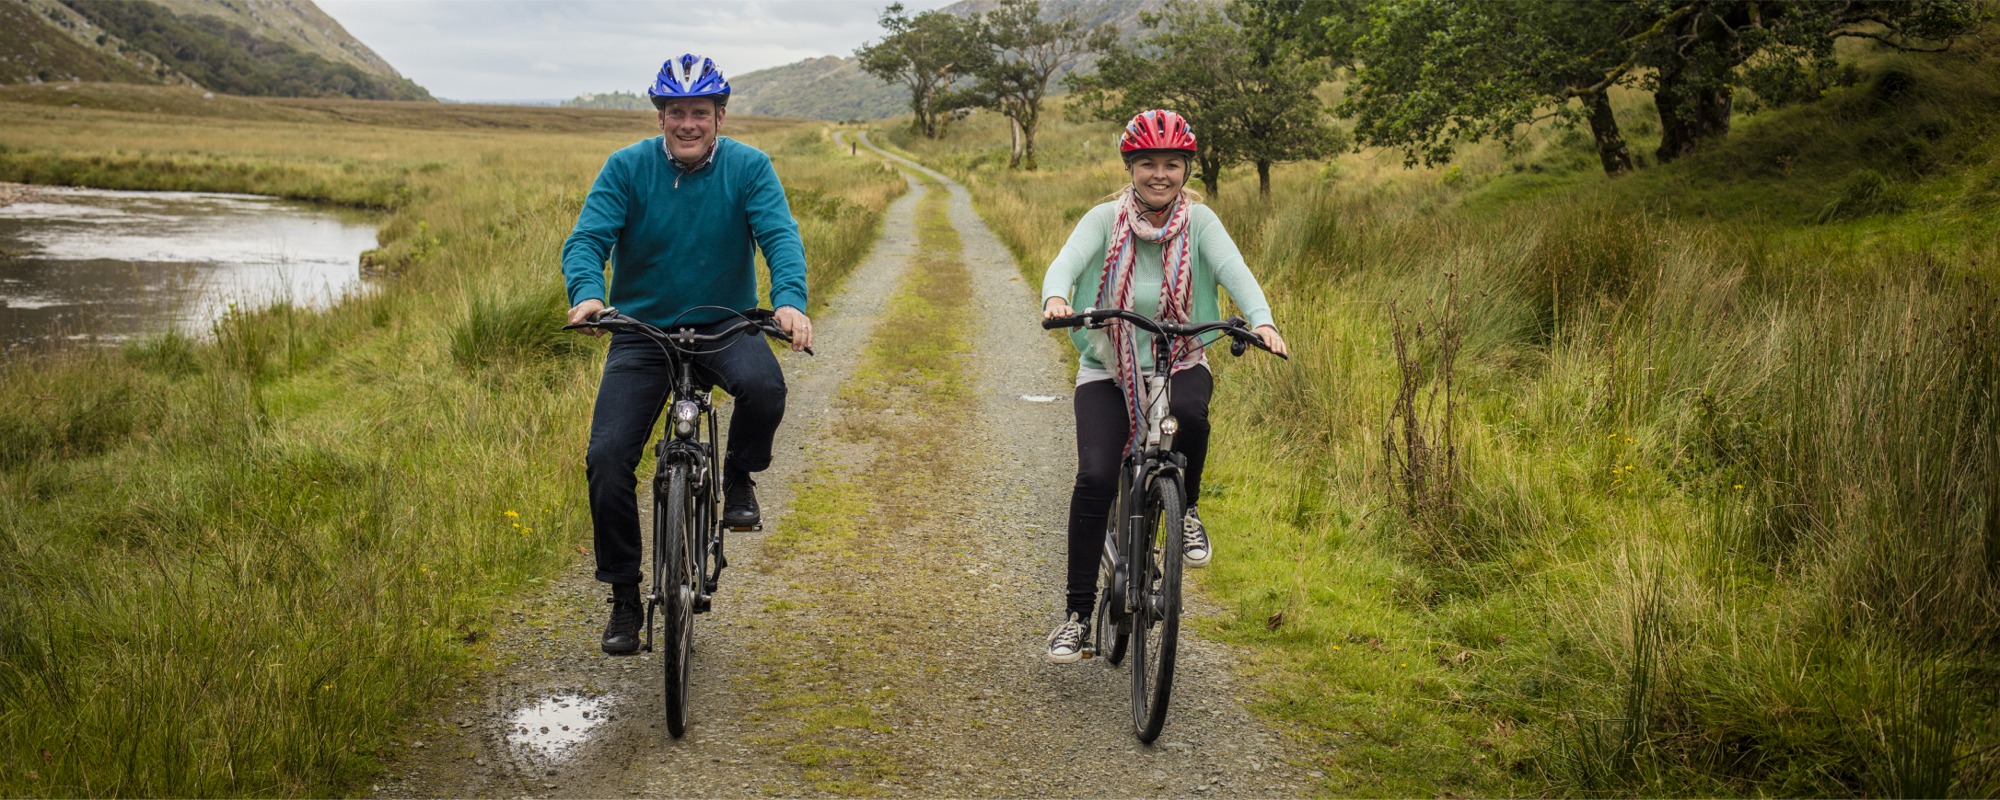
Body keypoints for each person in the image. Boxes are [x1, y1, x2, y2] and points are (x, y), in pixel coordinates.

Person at [561, 54, 814, 656]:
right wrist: (589, 296)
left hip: (725, 324)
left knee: (766, 389)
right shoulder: (626, 168)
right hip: (642, 331)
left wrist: (789, 303)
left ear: (719, 116)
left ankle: (739, 476)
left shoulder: (750, 168)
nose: (688, 123)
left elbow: (779, 236)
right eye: (677, 112)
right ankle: (625, 597)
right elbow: (589, 238)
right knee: (606, 459)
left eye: (700, 112)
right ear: (661, 116)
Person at [1038, 109, 1290, 663]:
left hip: (1180, 357)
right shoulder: (1104, 219)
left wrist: (1262, 319)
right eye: (1148, 163)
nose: (1160, 174)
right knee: (1096, 476)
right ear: (1131, 166)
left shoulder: (1201, 222)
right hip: (1109, 362)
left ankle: (1188, 510)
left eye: (1171, 164)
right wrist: (1057, 299)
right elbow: (1064, 265)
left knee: (1193, 418)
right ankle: (1079, 615)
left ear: (1186, 168)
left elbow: (1235, 272)